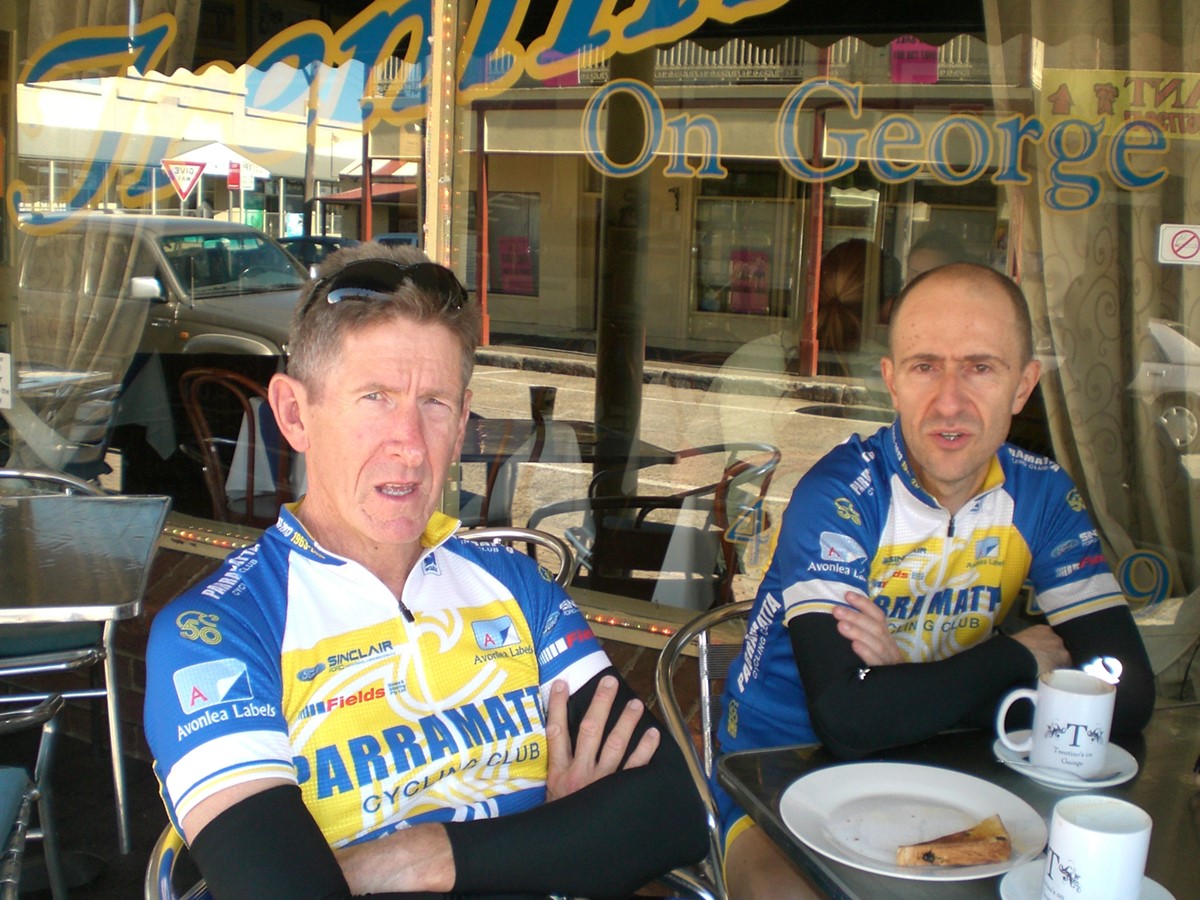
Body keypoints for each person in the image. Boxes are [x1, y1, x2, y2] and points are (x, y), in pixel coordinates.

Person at [144, 243, 708, 899]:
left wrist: (413, 859)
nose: (410, 445)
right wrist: (566, 838)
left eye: (434, 403)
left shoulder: (516, 587)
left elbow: (672, 812)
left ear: (462, 420)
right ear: (295, 413)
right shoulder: (220, 633)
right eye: (375, 397)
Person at [712, 263, 1156, 898]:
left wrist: (906, 686)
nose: (950, 402)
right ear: (892, 382)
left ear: (1023, 385)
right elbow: (845, 717)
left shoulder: (1042, 495)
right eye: (925, 367)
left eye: (980, 367)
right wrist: (1012, 660)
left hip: (946, 760)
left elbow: (1128, 694)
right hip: (775, 767)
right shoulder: (842, 494)